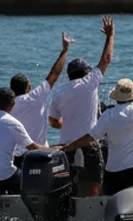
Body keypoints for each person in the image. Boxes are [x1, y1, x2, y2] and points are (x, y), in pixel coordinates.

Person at [60, 39, 133, 196]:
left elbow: (89, 137)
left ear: (116, 98)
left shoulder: (108, 116)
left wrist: (69, 147)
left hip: (113, 173)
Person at [48, 17, 116, 196]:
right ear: (86, 72)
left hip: (65, 145)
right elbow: (106, 59)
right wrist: (110, 36)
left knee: (68, 186)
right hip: (88, 143)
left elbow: (53, 122)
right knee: (93, 184)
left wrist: (66, 123)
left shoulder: (60, 92)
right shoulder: (89, 82)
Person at [10, 32, 74, 154]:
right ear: (28, 87)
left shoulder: (7, 106)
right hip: (37, 153)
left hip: (16, 156)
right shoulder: (35, 97)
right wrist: (65, 50)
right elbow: (54, 74)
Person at [0, 87, 46, 195]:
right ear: (12, 104)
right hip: (3, 177)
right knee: (33, 181)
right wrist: (55, 149)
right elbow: (32, 147)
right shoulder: (12, 123)